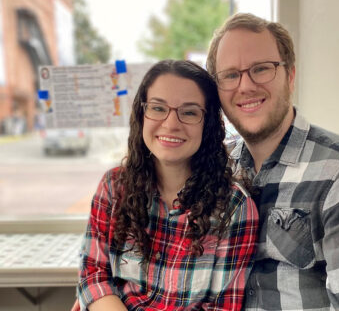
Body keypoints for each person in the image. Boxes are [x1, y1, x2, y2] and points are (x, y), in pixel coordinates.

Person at [206, 13, 339, 310]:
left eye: (261, 69)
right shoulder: (217, 167)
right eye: (230, 75)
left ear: (290, 75)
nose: (245, 86)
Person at [76, 60, 258, 310]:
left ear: (208, 126)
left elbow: (222, 307)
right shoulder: (114, 187)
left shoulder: (235, 207)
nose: (171, 124)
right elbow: (94, 275)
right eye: (158, 108)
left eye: (189, 112)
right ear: (142, 114)